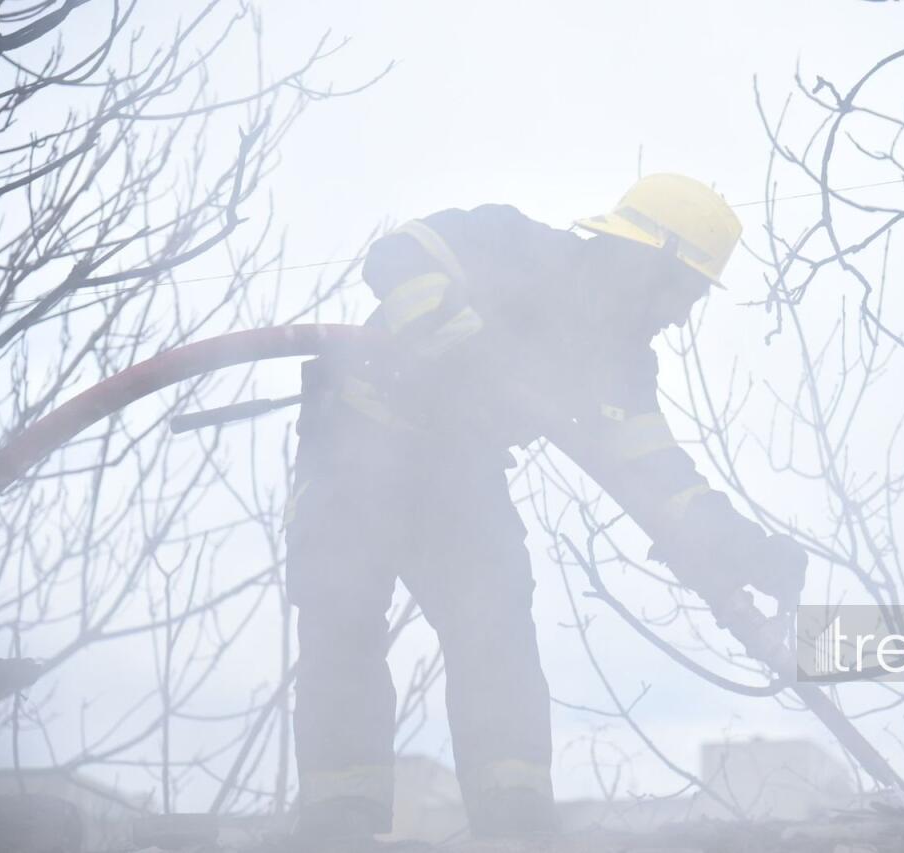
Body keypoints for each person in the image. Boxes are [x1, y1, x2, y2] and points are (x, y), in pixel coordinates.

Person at [285, 174, 808, 844]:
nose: (680, 316)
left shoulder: (620, 366)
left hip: (458, 469)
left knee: (496, 617)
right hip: (356, 447)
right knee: (343, 613)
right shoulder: (513, 242)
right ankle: (339, 819)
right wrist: (453, 336)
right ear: (644, 261)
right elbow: (399, 252)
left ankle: (516, 814)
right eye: (683, 292)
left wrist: (744, 548)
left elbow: (660, 478)